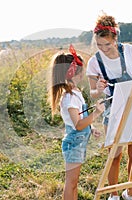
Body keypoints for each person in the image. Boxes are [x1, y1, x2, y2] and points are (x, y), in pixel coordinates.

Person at [86, 13, 132, 200]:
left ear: (115, 38)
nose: (103, 49)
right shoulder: (94, 62)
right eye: (99, 45)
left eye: (107, 45)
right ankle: (114, 194)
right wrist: (98, 89)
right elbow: (93, 93)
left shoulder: (130, 51)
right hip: (113, 109)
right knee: (115, 154)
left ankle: (131, 193)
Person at [48, 44, 105, 200]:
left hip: (78, 142)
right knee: (71, 183)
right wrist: (97, 113)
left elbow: (80, 119)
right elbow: (78, 125)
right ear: (74, 74)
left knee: (74, 182)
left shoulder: (76, 93)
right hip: (74, 143)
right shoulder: (69, 97)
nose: (84, 74)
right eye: (82, 71)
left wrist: (91, 128)